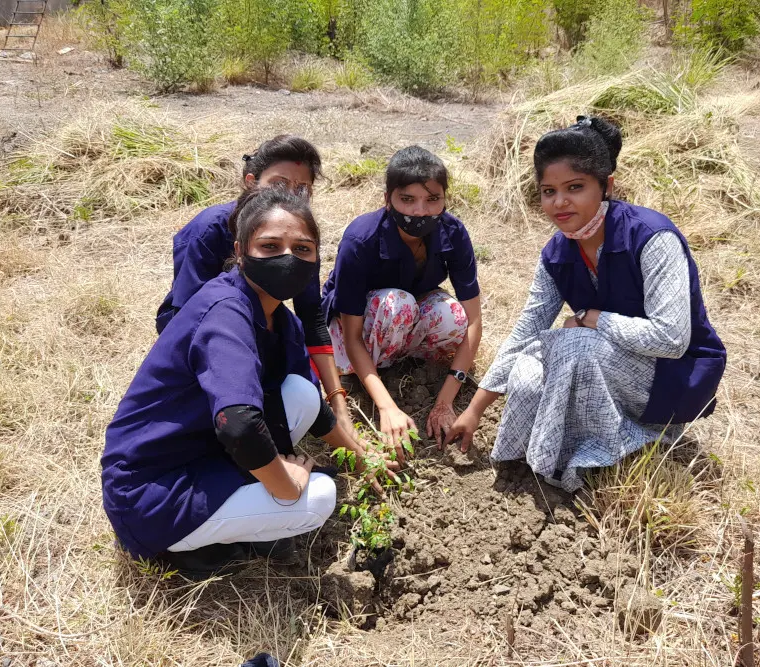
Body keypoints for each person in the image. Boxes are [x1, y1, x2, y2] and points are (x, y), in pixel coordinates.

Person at [102, 187, 393, 575]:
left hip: (199, 448)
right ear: (240, 251)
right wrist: (287, 484)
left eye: (303, 249)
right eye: (270, 246)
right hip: (153, 490)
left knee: (301, 392)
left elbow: (313, 408)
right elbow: (238, 424)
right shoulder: (225, 313)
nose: (288, 259)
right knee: (319, 496)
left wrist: (361, 459)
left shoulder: (277, 316)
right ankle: (189, 548)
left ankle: (244, 507)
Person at [447, 117, 726, 491]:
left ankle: (599, 457)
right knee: (528, 371)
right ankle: (525, 464)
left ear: (606, 186)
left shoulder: (651, 236)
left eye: (574, 188)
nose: (559, 202)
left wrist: (592, 318)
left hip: (672, 374)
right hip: (610, 361)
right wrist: (474, 409)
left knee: (575, 344)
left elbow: (672, 338)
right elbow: (526, 330)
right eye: (549, 191)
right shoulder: (557, 252)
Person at [155, 135, 354, 437]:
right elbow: (189, 316)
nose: (293, 196)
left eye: (303, 189)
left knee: (299, 379)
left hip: (261, 325)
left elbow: (311, 315)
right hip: (206, 332)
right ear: (251, 182)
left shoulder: (300, 231)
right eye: (279, 183)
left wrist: (337, 403)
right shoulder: (207, 230)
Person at [321, 146, 483, 459]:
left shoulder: (453, 233)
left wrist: (444, 402)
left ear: (445, 199)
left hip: (397, 327)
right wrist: (387, 407)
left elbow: (474, 321)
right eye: (407, 199)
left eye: (432, 199)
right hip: (356, 329)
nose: (421, 211)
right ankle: (369, 381)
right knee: (398, 304)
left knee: (452, 315)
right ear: (388, 199)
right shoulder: (361, 239)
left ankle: (395, 362)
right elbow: (354, 337)